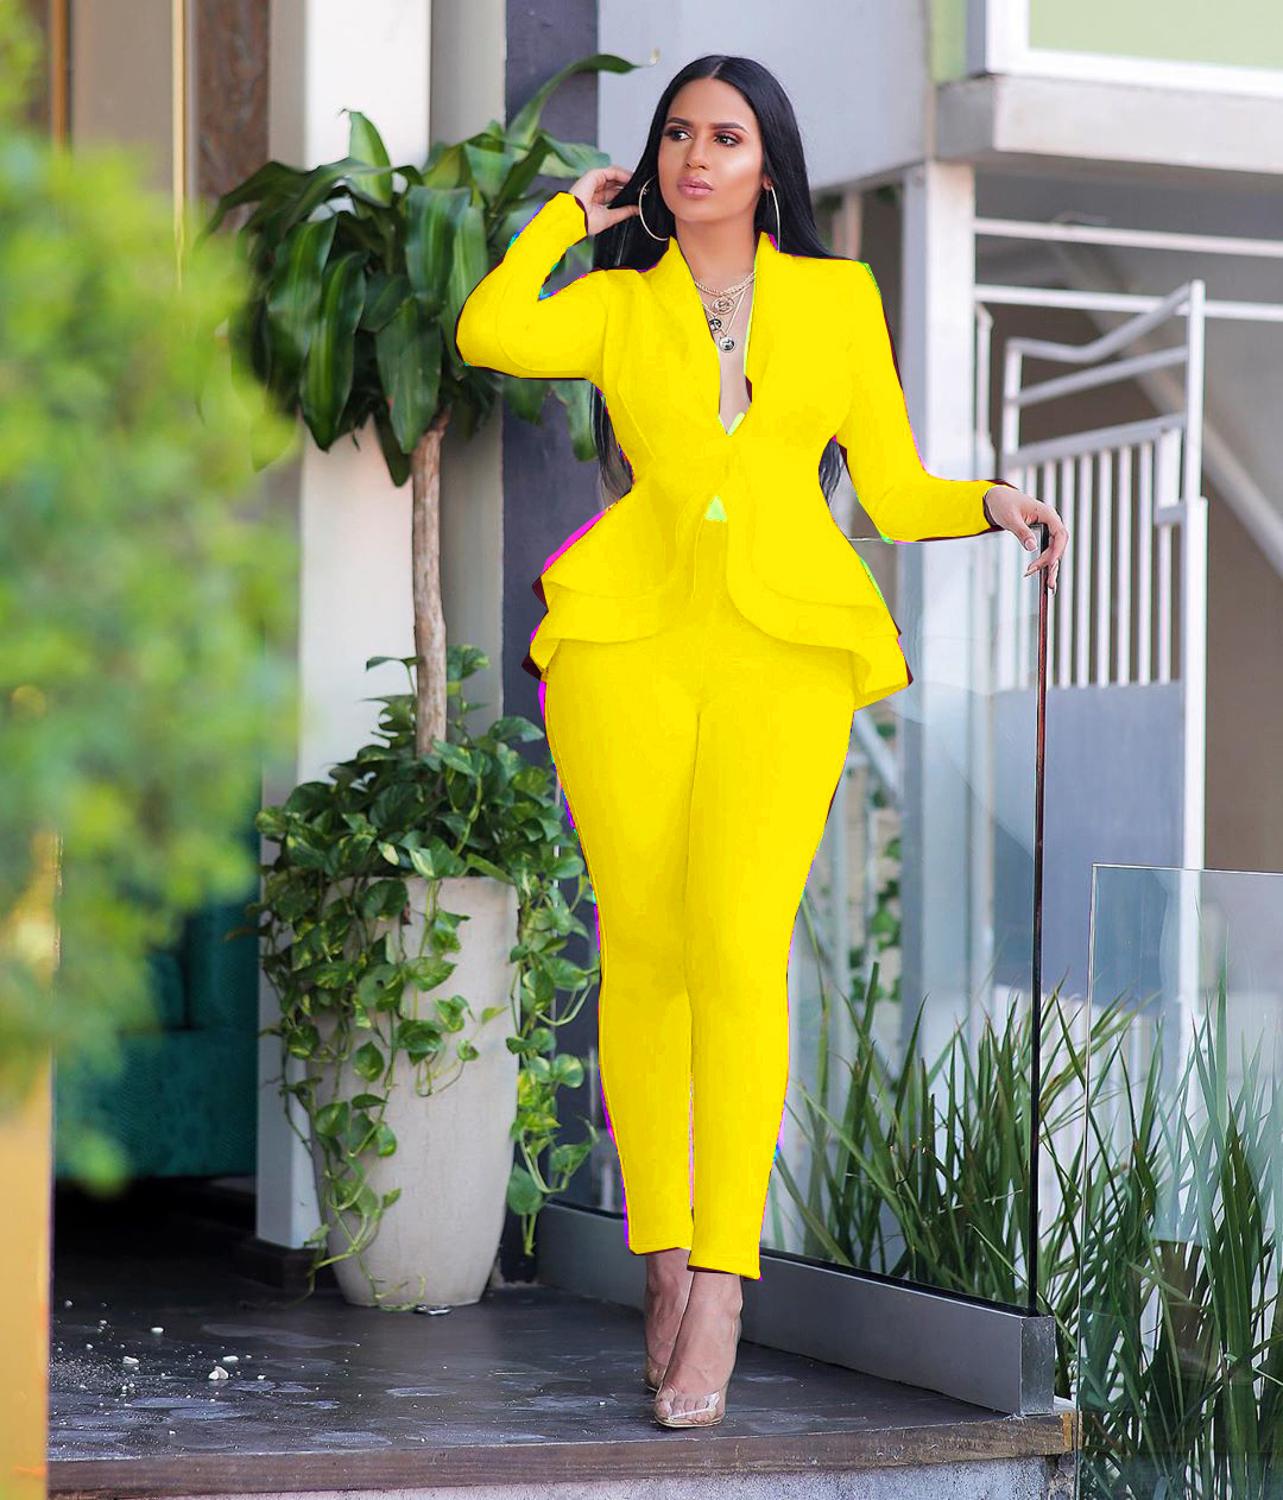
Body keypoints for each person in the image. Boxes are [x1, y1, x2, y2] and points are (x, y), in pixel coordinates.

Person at [455, 56, 1068, 1431]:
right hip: (631, 647)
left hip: (784, 646)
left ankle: (726, 1274)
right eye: (676, 135)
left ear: (769, 163)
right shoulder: (617, 306)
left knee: (737, 942)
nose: (693, 155)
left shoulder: (836, 299)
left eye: (723, 136)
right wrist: (567, 217)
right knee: (647, 949)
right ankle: (661, 1253)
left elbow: (895, 490)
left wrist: (994, 500)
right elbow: (491, 330)